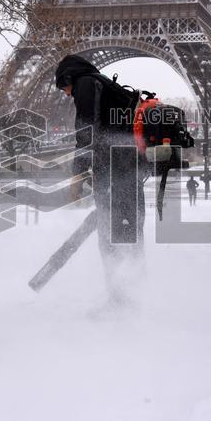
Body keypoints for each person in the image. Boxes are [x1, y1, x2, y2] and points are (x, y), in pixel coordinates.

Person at [55, 54, 145, 309]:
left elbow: (86, 132)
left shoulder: (85, 83)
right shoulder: (106, 85)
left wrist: (77, 174)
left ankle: (122, 303)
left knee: (111, 237)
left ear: (69, 78)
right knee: (128, 236)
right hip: (128, 171)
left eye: (64, 88)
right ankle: (133, 298)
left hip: (115, 174)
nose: (66, 94)